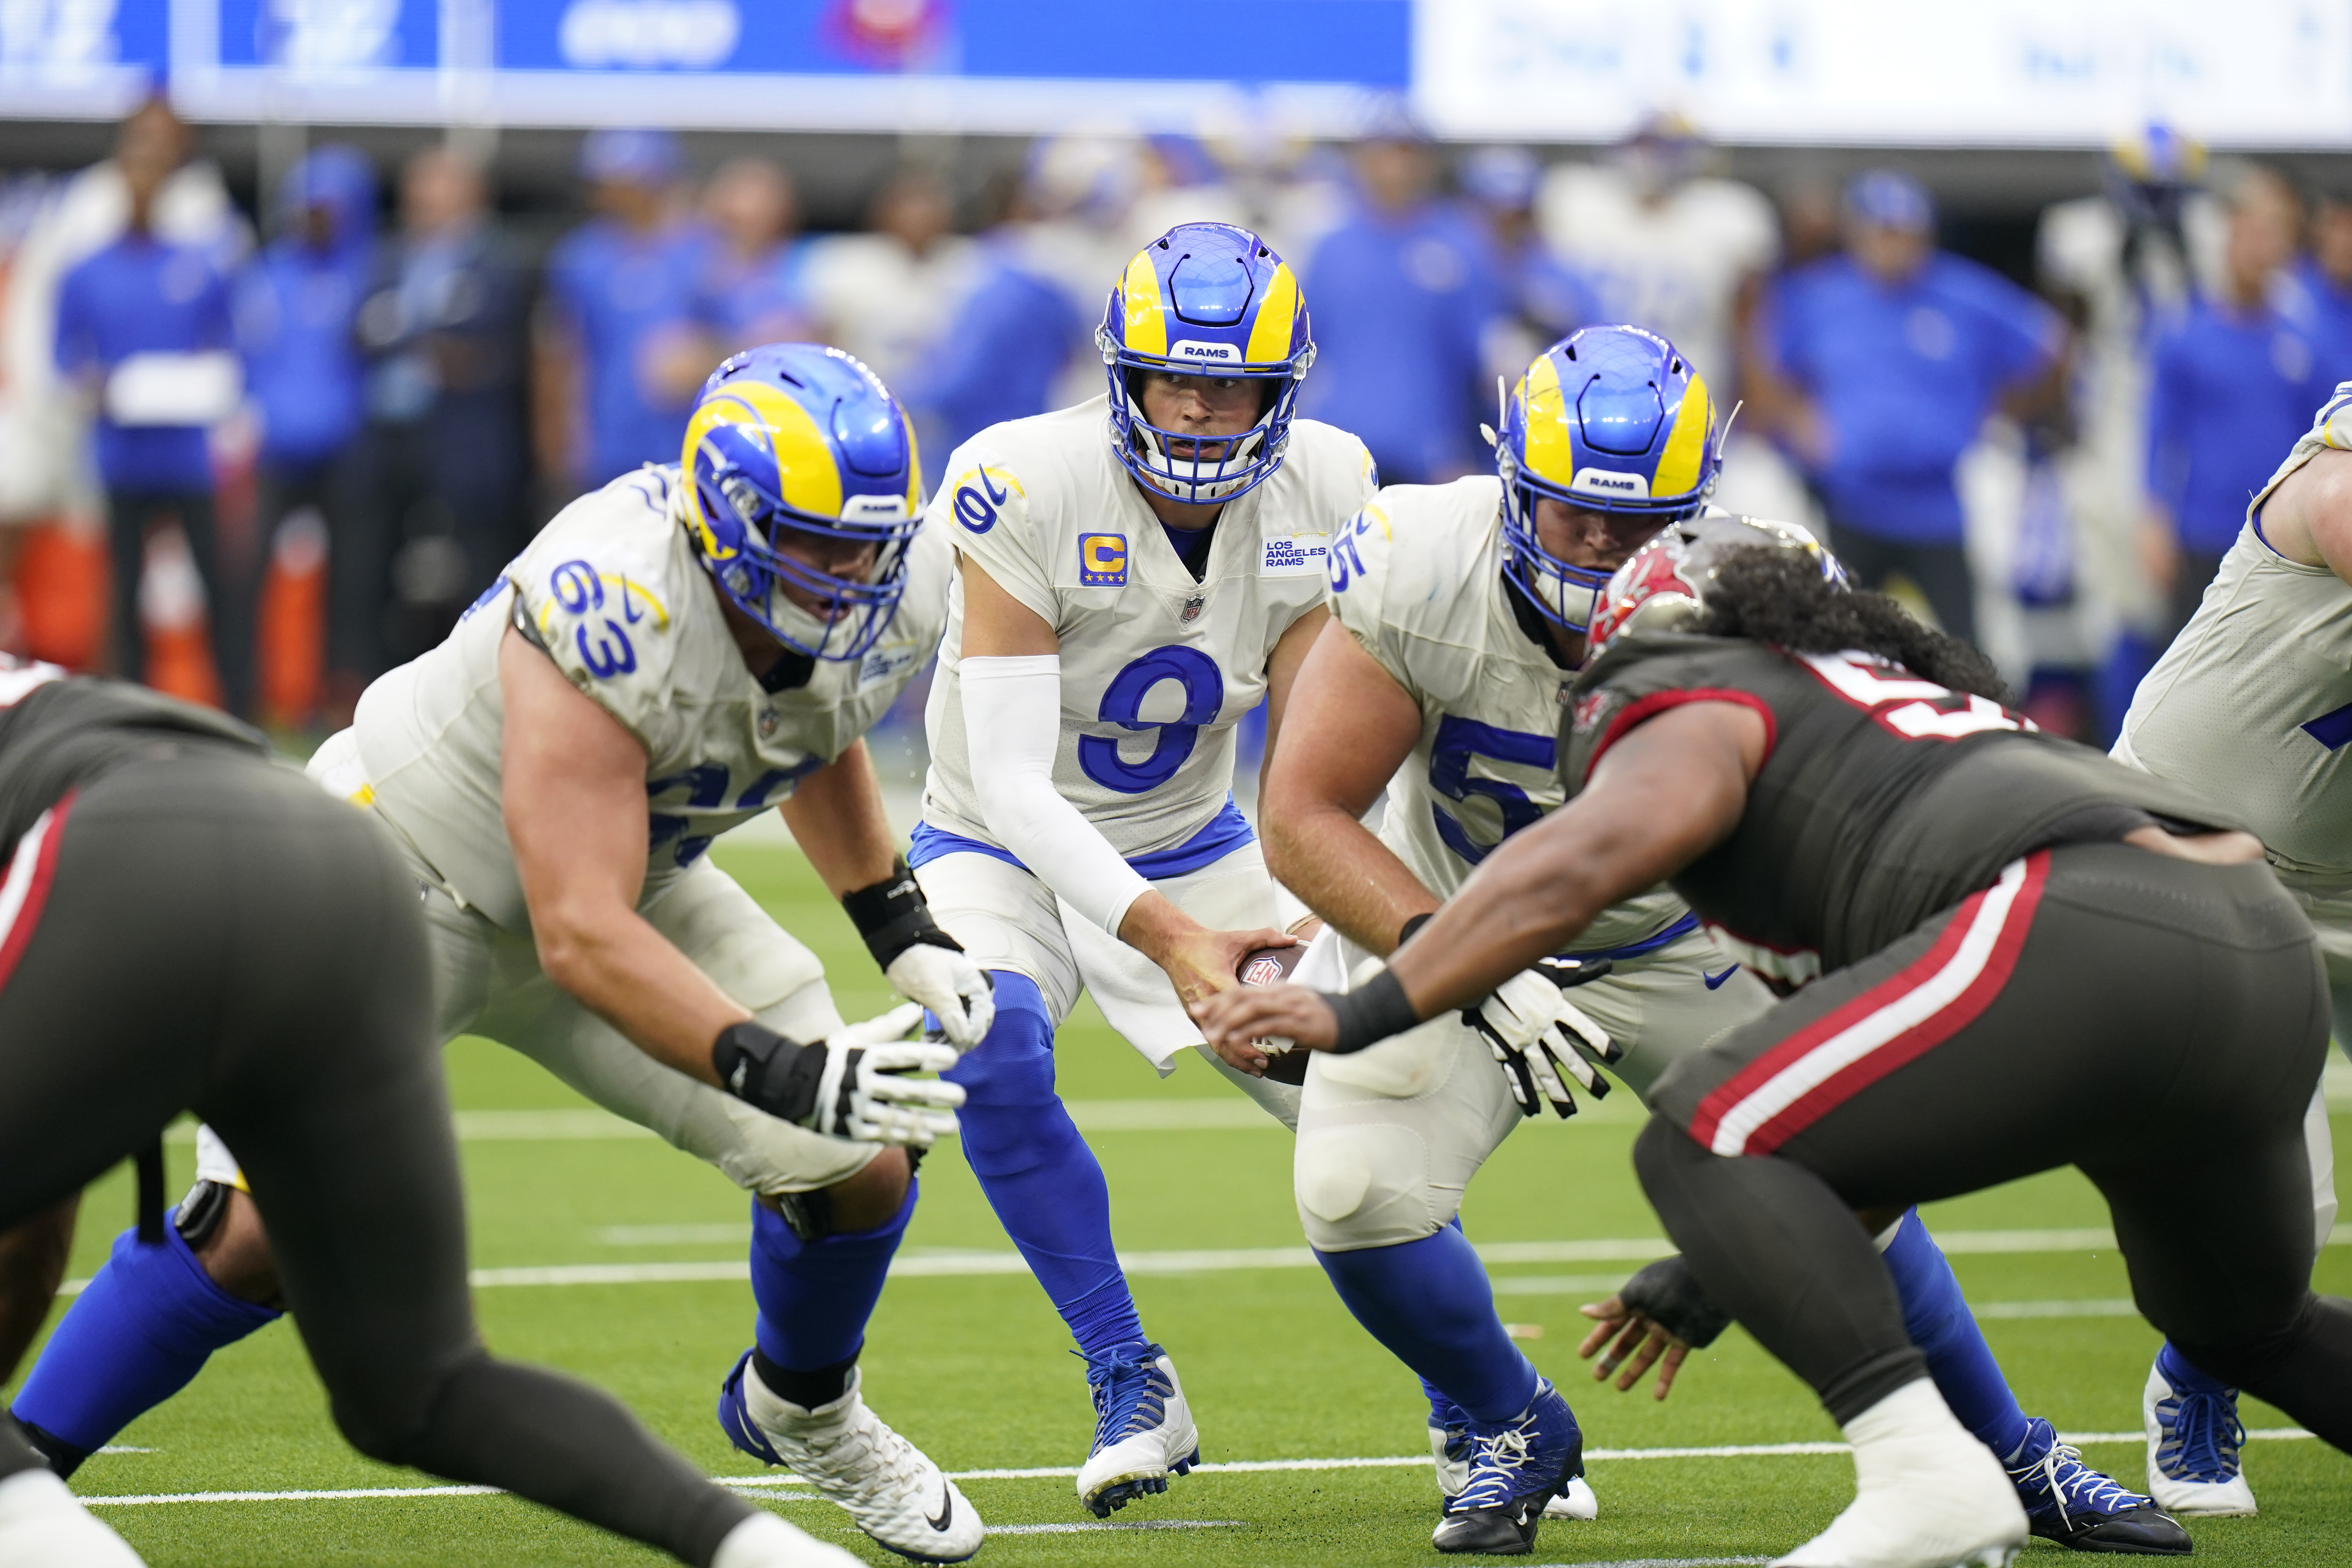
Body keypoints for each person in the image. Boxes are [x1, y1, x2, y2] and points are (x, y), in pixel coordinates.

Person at [1198, 515, 2352, 1568]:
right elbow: (1870, 1148)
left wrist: (1361, 1006)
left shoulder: (1688, 679)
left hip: (2073, 922)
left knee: (1706, 1138)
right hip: (2249, 940)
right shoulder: (1883, 694)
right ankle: (1959, 1460)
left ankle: (1927, 1475)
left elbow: (1584, 860)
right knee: (2249, 1325)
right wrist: (1712, 1277)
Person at [6, 345, 993, 1563]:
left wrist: (894, 924)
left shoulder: (892, 579)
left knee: (862, 1162)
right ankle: (24, 1465)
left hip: (638, 875)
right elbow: (578, 932)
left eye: (867, 544)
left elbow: (814, 719)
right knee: (256, 1234)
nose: (852, 575)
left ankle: (805, 1408)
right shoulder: (607, 594)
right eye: (818, 545)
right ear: (728, 520)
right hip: (398, 880)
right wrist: (776, 1067)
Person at [1264, 322, 2183, 1557]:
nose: (1597, 545)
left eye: (1634, 521)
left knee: (1846, 1164)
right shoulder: (1420, 556)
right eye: (1569, 512)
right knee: (1347, 1188)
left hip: (1684, 933)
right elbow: (1300, 817)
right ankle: (1507, 1423)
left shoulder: (1754, 584)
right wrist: (1471, 972)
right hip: (1469, 927)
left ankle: (2007, 1449)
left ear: (1696, 504)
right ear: (1509, 478)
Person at [0, 661, 898, 1568]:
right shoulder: (627, 574)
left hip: (180, 848)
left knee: (855, 1157)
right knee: (416, 1383)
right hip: (353, 846)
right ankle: (759, 1551)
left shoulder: (820, 580)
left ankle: (24, 1493)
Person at [911, 222, 1372, 1517]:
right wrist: (1176, 944)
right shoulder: (1023, 475)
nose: (1205, 405)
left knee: (1369, 1109)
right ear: (1123, 370)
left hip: (1201, 836)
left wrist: (1299, 907)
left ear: (1283, 392)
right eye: (1179, 376)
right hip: (995, 841)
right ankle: (1130, 1375)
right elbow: (1010, 782)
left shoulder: (1329, 482)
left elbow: (1317, 743)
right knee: (986, 1042)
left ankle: (1484, 1411)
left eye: (1235, 384)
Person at [2112, 384, 2352, 1517]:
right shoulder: (2337, 483)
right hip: (2204, 852)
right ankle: (2201, 1372)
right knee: (2283, 1206)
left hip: (2343, 875)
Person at [1759, 169, 2067, 647]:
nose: (1891, 245)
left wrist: (2007, 410)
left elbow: (2052, 344)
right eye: (1880, 231)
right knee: (1836, 645)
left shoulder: (1961, 293)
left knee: (1967, 648)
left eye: (1902, 232)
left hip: (1938, 509)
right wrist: (1801, 426)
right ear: (1857, 234)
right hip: (1849, 504)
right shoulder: (1821, 296)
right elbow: (1769, 363)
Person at [53, 108, 245, 711]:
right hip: (123, 454)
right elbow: (64, 357)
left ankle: (237, 706)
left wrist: (212, 383)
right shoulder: (86, 272)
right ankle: (130, 707)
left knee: (217, 582)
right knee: (124, 589)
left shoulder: (197, 265)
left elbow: (230, 343)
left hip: (186, 453)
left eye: (155, 171)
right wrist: (91, 385)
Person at [1532, 113, 1797, 520]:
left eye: (1663, 148)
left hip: (1691, 418)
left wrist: (1756, 429)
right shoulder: (1579, 207)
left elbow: (1750, 334)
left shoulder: (1726, 219)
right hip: (1585, 412)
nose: (1650, 161)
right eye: (1644, 146)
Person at [350, 145, 532, 693]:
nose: (423, 204)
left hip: (469, 441)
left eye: (437, 191)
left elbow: (488, 351)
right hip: (392, 434)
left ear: (472, 196)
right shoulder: (390, 259)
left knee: (481, 567)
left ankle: (486, 687)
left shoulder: (503, 260)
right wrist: (429, 341)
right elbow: (360, 332)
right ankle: (373, 691)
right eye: (417, 193)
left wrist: (410, 336)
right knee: (372, 562)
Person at [2141, 165, 2319, 641]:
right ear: (2227, 238)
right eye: (2250, 233)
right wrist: (2155, 522)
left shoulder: (2304, 344)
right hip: (2202, 534)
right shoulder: (2187, 336)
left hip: (2278, 539)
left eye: (2272, 235)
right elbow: (2159, 435)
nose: (2258, 248)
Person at [234, 144, 376, 704]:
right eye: (306, 206)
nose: (313, 218)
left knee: (351, 581)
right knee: (250, 576)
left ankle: (339, 695)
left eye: (326, 207)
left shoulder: (369, 272)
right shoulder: (267, 276)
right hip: (274, 448)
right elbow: (243, 355)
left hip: (347, 448)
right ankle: (248, 692)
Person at [1298, 129, 1503, 486]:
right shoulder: (1331, 248)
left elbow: (1483, 363)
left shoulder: (1461, 245)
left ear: (1427, 164)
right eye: (1384, 155)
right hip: (1337, 448)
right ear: (1362, 162)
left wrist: (1478, 455)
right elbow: (1302, 356)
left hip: (1431, 454)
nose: (1395, 168)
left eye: (1407, 155)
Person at [537, 129, 710, 493]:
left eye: (631, 183)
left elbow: (757, 334)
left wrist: (707, 354)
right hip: (605, 452)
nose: (617, 194)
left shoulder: (706, 251)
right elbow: (560, 354)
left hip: (690, 448)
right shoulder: (581, 257)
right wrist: (557, 446)